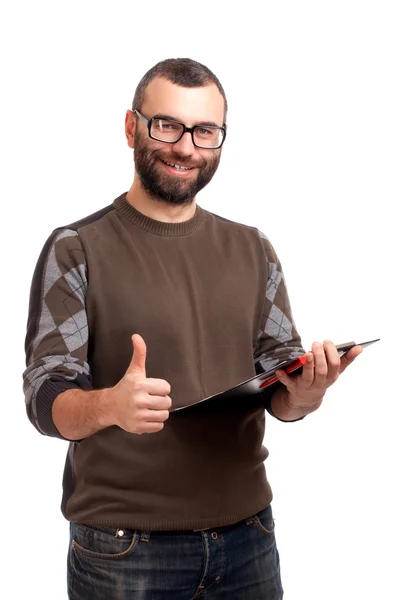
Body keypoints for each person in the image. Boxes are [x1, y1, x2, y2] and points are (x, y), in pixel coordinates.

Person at [23, 58, 362, 600]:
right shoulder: (76, 247)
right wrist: (110, 405)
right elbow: (44, 395)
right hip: (124, 549)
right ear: (132, 127)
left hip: (249, 534)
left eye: (205, 131)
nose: (185, 147)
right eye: (167, 126)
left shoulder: (253, 247)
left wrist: (307, 392)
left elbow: (282, 391)